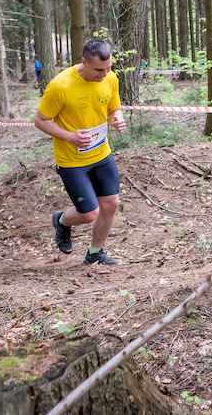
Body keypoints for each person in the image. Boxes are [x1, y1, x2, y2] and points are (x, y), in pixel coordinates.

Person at [34, 39, 127, 265]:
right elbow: (40, 120)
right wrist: (70, 136)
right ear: (83, 61)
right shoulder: (60, 86)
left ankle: (95, 252)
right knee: (88, 214)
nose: (104, 74)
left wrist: (117, 119)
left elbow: (114, 108)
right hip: (72, 160)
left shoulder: (110, 78)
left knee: (111, 203)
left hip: (101, 153)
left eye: (108, 68)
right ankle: (62, 222)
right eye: (98, 70)